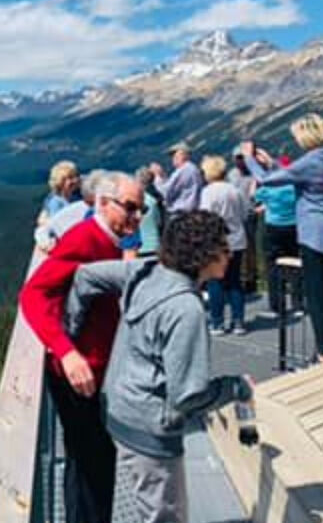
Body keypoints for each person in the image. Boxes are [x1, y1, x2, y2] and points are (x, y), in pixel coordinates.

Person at [66, 210, 255, 523]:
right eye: (223, 246)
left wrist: (72, 332)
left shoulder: (145, 270)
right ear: (203, 254)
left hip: (118, 408)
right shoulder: (186, 309)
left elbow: (86, 276)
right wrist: (235, 387)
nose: (230, 252)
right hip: (151, 430)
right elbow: (187, 396)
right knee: (165, 515)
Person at [19, 170, 144, 523]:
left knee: (90, 463)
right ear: (103, 204)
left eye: (141, 210)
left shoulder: (110, 242)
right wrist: (65, 351)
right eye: (130, 208)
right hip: (77, 373)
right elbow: (33, 293)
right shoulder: (85, 239)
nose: (137, 217)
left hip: (95, 371)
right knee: (94, 465)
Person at [255, 116, 323, 361]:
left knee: (317, 293)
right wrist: (272, 162)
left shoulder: (310, 161)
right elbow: (294, 173)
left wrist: (251, 160)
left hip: (313, 232)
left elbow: (268, 180)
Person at [199, 155, 252, 335]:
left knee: (216, 282)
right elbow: (245, 213)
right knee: (235, 281)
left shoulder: (208, 192)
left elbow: (205, 217)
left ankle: (217, 322)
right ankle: (238, 321)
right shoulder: (235, 190)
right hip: (237, 239)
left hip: (217, 240)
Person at [253, 162, 299, 319]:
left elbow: (253, 196)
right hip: (293, 227)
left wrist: (256, 182)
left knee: (273, 266)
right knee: (295, 265)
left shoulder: (268, 189)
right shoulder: (294, 188)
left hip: (273, 228)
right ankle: (298, 302)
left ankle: (277, 306)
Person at [153, 144, 204, 212]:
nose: (173, 157)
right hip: (190, 210)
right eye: (172, 155)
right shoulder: (191, 168)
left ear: (184, 155)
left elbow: (166, 192)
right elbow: (175, 188)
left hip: (182, 212)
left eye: (175, 154)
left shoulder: (184, 169)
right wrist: (163, 176)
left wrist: (157, 176)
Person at [42, 160, 82, 226]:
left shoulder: (78, 197)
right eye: (70, 178)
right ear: (60, 181)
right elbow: (57, 225)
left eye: (76, 176)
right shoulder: (55, 202)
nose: (75, 180)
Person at [136, 166, 165, 256]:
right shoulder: (158, 198)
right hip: (156, 244)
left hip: (141, 246)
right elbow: (160, 222)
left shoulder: (139, 200)